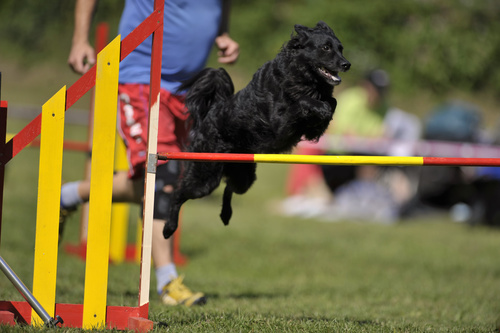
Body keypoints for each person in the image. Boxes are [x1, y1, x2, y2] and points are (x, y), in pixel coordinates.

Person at [61, 0, 239, 306]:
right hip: (142, 77)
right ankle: (167, 282)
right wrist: (79, 39)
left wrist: (222, 31)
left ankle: (69, 195)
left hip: (188, 89)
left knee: (166, 183)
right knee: (163, 176)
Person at [280, 69, 421, 222]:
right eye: (376, 90)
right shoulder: (350, 100)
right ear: (366, 87)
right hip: (340, 154)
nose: (378, 95)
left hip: (365, 155)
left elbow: (380, 135)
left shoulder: (384, 107)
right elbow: (340, 129)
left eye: (381, 91)